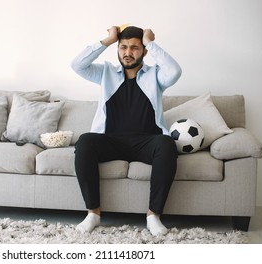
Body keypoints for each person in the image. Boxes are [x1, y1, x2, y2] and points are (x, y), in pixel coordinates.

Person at [71, 25, 182, 236]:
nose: (127, 53)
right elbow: (77, 65)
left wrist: (151, 42)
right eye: (123, 47)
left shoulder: (156, 76)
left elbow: (175, 71)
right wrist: (107, 40)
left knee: (166, 144)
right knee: (85, 141)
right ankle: (93, 213)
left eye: (134, 48)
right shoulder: (105, 73)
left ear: (144, 51)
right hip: (111, 141)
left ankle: (153, 216)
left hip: (146, 142)